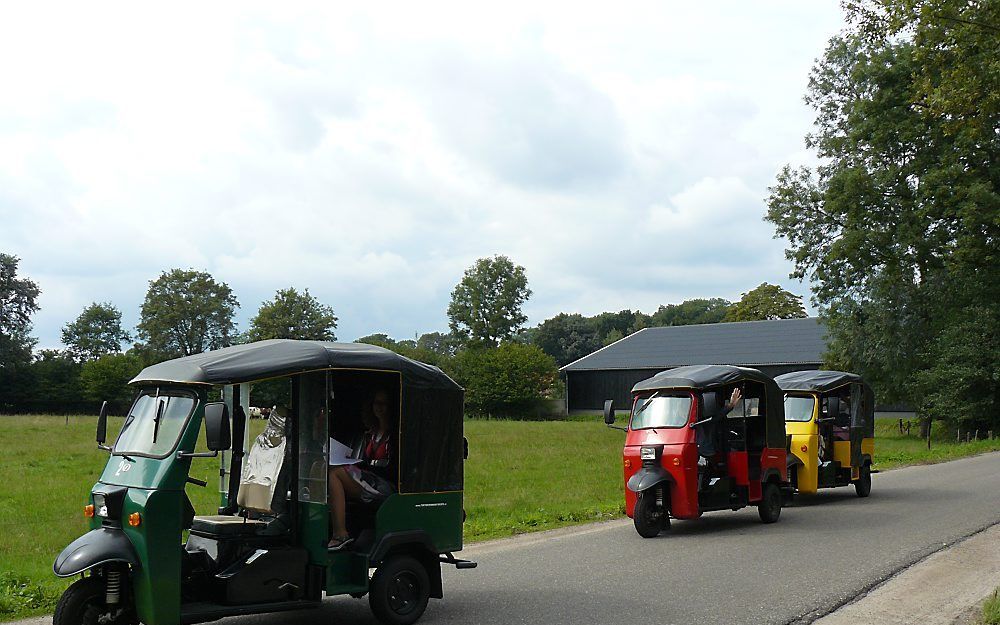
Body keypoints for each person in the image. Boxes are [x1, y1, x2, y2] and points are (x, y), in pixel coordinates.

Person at [327, 389, 396, 550]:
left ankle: (341, 534)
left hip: (383, 486)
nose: (379, 407)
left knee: (335, 473)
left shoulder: (394, 435)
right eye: (376, 403)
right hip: (370, 479)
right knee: (326, 468)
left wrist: (363, 467)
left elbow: (392, 468)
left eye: (384, 403)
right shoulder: (372, 433)